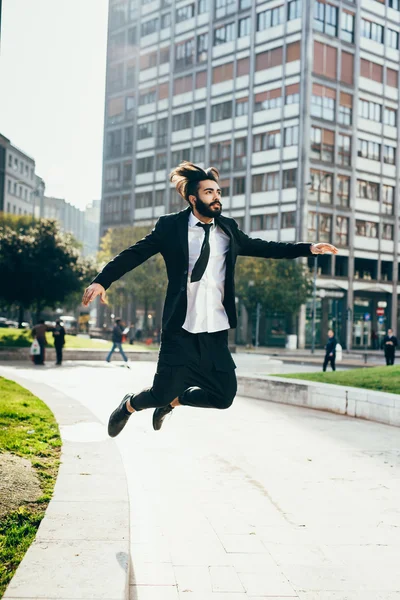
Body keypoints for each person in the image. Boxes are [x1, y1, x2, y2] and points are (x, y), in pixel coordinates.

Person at [82, 161, 338, 438]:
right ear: (193, 199)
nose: (216, 197)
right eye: (209, 193)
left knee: (223, 396)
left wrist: (308, 248)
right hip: (180, 329)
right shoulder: (170, 227)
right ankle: (129, 406)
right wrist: (101, 280)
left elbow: (265, 247)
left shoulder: (227, 229)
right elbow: (134, 254)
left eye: (217, 192)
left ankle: (174, 402)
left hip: (214, 328)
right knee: (158, 393)